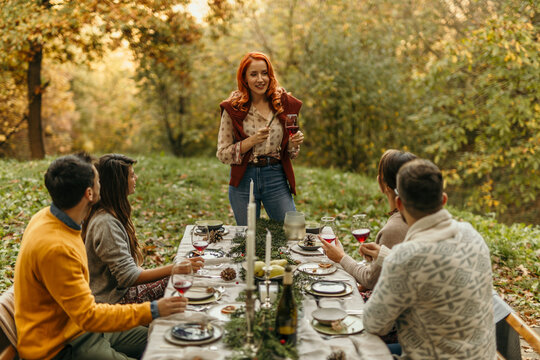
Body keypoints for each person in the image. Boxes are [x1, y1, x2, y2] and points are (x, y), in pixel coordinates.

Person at [14, 153, 187, 360]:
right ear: (89, 193)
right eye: (98, 181)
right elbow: (88, 316)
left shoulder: (48, 217)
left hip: (82, 328)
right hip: (61, 346)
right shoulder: (56, 248)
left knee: (168, 338)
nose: (102, 185)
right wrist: (153, 309)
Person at [363, 159, 495, 359]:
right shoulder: (473, 236)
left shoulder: (404, 258)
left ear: (399, 203)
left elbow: (374, 323)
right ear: (443, 199)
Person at [82, 154, 204, 304]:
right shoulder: (106, 223)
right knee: (179, 279)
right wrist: (175, 268)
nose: (136, 178)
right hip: (114, 299)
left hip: (119, 291)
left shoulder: (112, 211)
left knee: (180, 275)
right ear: (118, 183)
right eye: (132, 175)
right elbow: (128, 277)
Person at [217, 51, 305, 225]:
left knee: (292, 231)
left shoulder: (282, 104)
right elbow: (223, 154)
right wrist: (252, 141)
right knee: (248, 239)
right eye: (254, 74)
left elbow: (291, 153)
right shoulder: (233, 108)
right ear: (244, 78)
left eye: (265, 73)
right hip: (244, 179)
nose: (260, 79)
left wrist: (293, 144)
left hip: (275, 176)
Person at [320, 149, 416, 290]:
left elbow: (371, 281)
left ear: (384, 185)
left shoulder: (393, 228)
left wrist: (341, 257)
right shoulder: (418, 215)